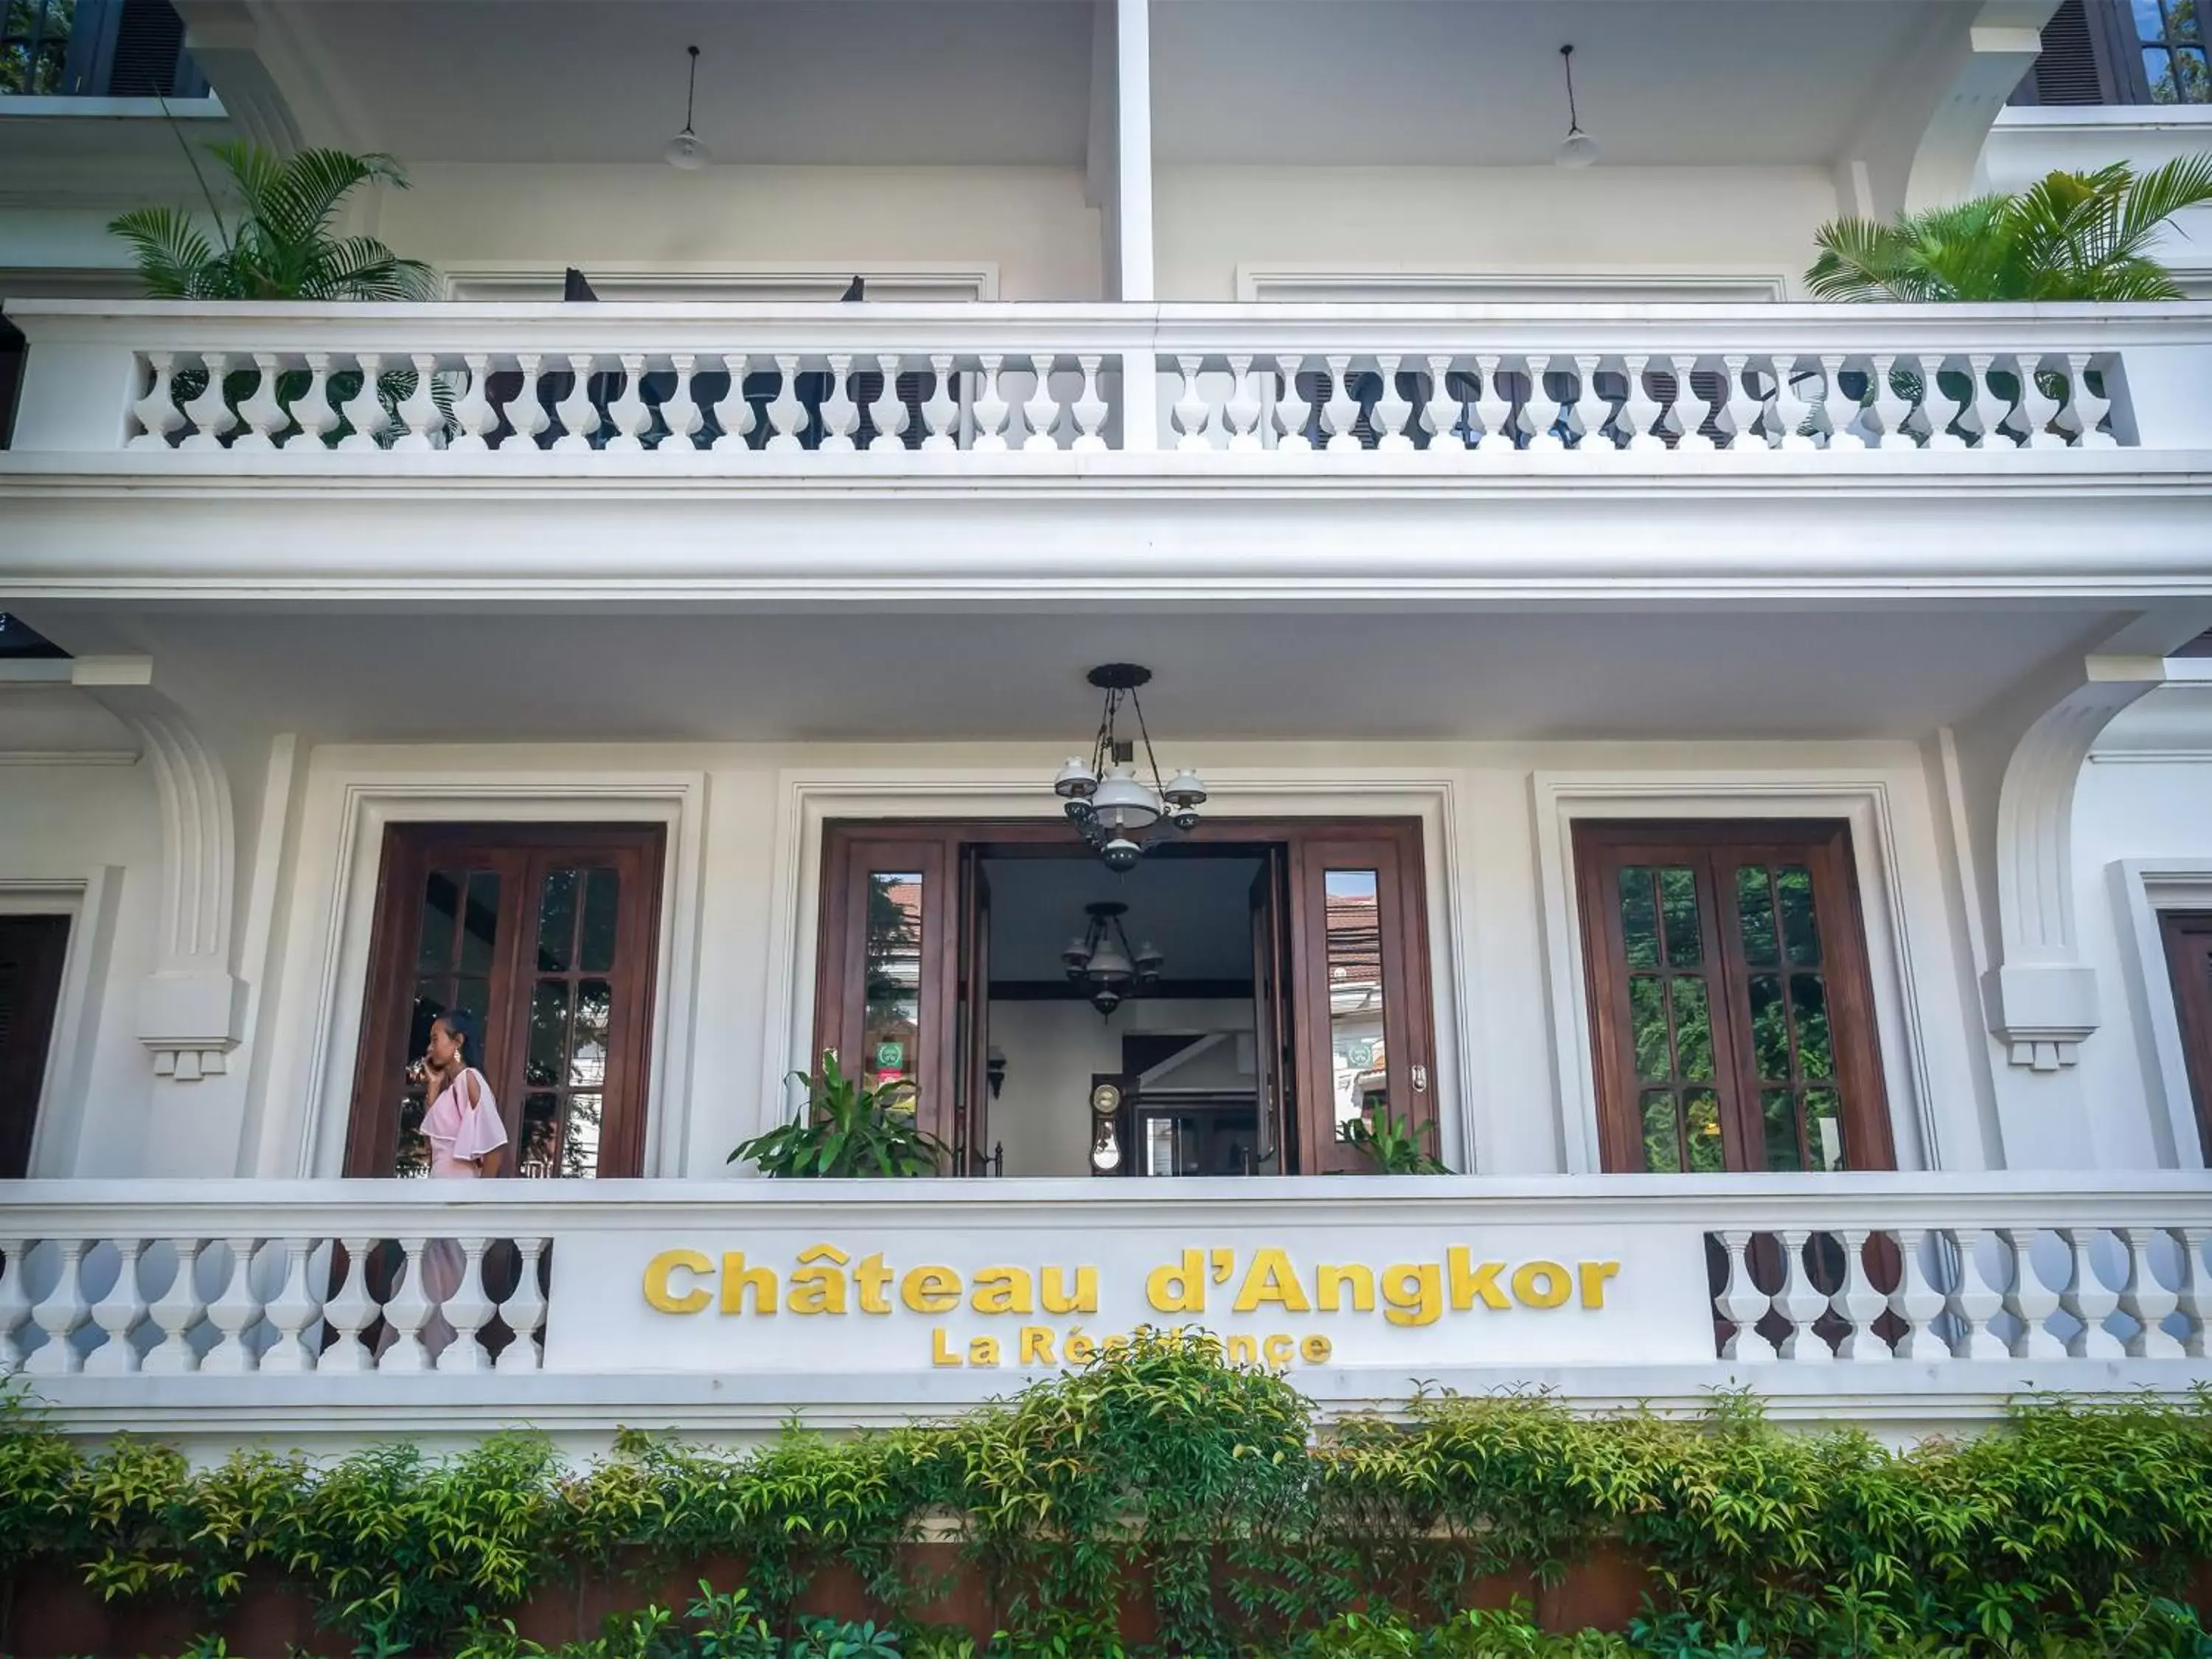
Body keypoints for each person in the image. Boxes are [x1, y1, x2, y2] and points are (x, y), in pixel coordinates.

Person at [386, 1009, 509, 1360]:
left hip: (459, 1202)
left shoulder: (472, 1079)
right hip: (438, 1199)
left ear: (458, 1042)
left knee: (442, 1291)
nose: (430, 1046)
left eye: (436, 1038)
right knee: (412, 1284)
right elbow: (435, 1147)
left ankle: (440, 1359)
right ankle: (418, 1357)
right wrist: (433, 1085)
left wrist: (480, 1201)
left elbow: (496, 1146)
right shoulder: (452, 1085)